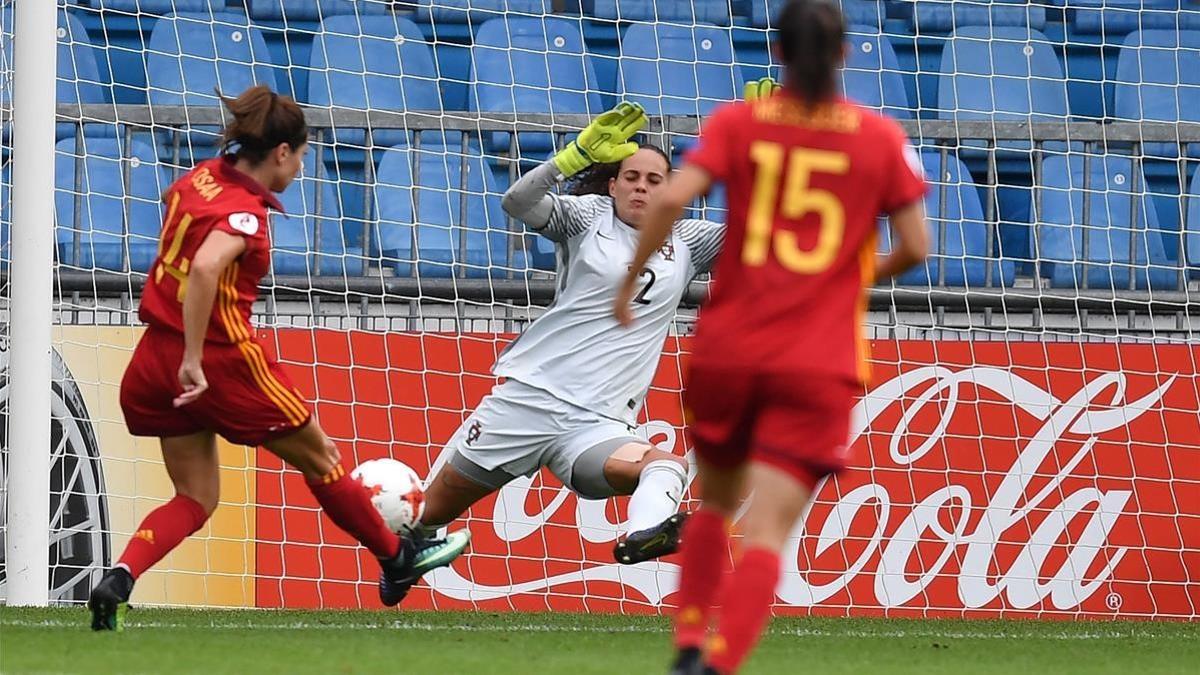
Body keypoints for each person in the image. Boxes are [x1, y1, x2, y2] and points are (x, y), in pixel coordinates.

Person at [615, 1, 930, 672]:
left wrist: (629, 278)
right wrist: (850, 273)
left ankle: (690, 640)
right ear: (845, 55)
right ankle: (721, 661)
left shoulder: (738, 121)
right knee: (766, 532)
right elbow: (917, 243)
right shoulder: (877, 137)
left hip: (730, 347)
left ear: (778, 55)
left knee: (714, 502)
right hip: (818, 357)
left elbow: (672, 200)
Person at [87, 85, 470, 631]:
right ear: (283, 153)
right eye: (304, 155)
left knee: (195, 497)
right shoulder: (245, 215)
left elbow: (187, 244)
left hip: (153, 358)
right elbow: (204, 269)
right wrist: (196, 357)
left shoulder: (198, 178)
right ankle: (395, 558)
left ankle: (121, 576)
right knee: (323, 458)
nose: (301, 167)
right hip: (220, 362)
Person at [415, 101, 729, 567]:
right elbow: (517, 202)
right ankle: (405, 559)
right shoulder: (587, 218)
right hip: (529, 402)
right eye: (631, 178)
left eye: (654, 180)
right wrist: (571, 157)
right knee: (424, 515)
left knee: (665, 466)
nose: (641, 187)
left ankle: (644, 534)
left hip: (598, 425)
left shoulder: (687, 240)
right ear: (613, 184)